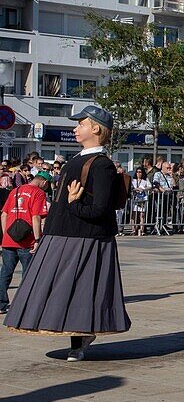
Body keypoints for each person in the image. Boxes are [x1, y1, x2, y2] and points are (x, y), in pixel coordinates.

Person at [4, 106, 128, 361]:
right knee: (60, 287)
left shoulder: (102, 165)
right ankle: (74, 337)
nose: (75, 128)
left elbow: (100, 208)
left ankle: (80, 340)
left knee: (82, 290)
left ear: (95, 129)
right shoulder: (76, 160)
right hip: (63, 233)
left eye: (81, 124)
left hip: (86, 237)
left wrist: (74, 204)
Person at [0, 169, 50, 313]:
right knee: (28, 273)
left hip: (9, 238)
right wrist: (37, 239)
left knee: (5, 272)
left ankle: (1, 304)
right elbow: (36, 217)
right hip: (27, 240)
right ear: (44, 182)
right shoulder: (38, 193)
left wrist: (5, 234)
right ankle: (23, 305)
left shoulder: (15, 190)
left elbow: (4, 215)